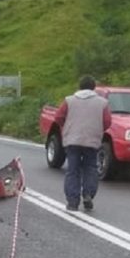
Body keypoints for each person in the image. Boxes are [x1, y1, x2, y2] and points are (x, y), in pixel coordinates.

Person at [54, 76, 111, 211]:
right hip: (92, 140)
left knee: (72, 170)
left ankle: (72, 201)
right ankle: (88, 194)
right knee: (90, 168)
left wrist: (67, 127)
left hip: (72, 140)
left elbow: (58, 117)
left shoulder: (69, 100)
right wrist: (97, 130)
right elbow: (107, 122)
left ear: (79, 86)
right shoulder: (102, 103)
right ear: (93, 87)